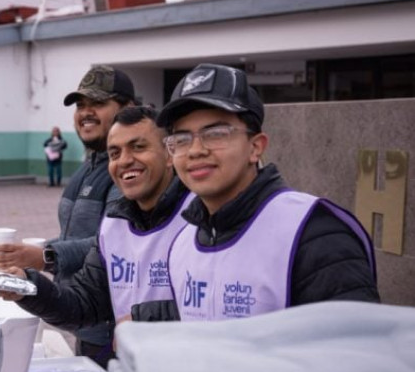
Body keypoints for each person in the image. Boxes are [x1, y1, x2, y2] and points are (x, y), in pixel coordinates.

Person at [135, 63, 379, 321]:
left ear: (256, 147)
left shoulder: (313, 232)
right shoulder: (184, 242)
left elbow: (351, 350)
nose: (196, 150)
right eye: (182, 139)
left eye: (216, 133)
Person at [0, 107, 193, 353]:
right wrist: (28, 287)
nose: (124, 160)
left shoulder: (198, 217)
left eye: (139, 147)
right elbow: (83, 304)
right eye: (115, 153)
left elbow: (213, 312)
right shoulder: (114, 224)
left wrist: (144, 320)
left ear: (168, 154)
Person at [0, 65, 136, 365]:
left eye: (98, 103)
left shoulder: (129, 172)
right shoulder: (89, 166)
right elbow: (78, 238)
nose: (86, 112)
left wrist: (45, 255)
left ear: (128, 109)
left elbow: (113, 243)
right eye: (81, 105)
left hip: (115, 329)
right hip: (82, 319)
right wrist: (30, 254)